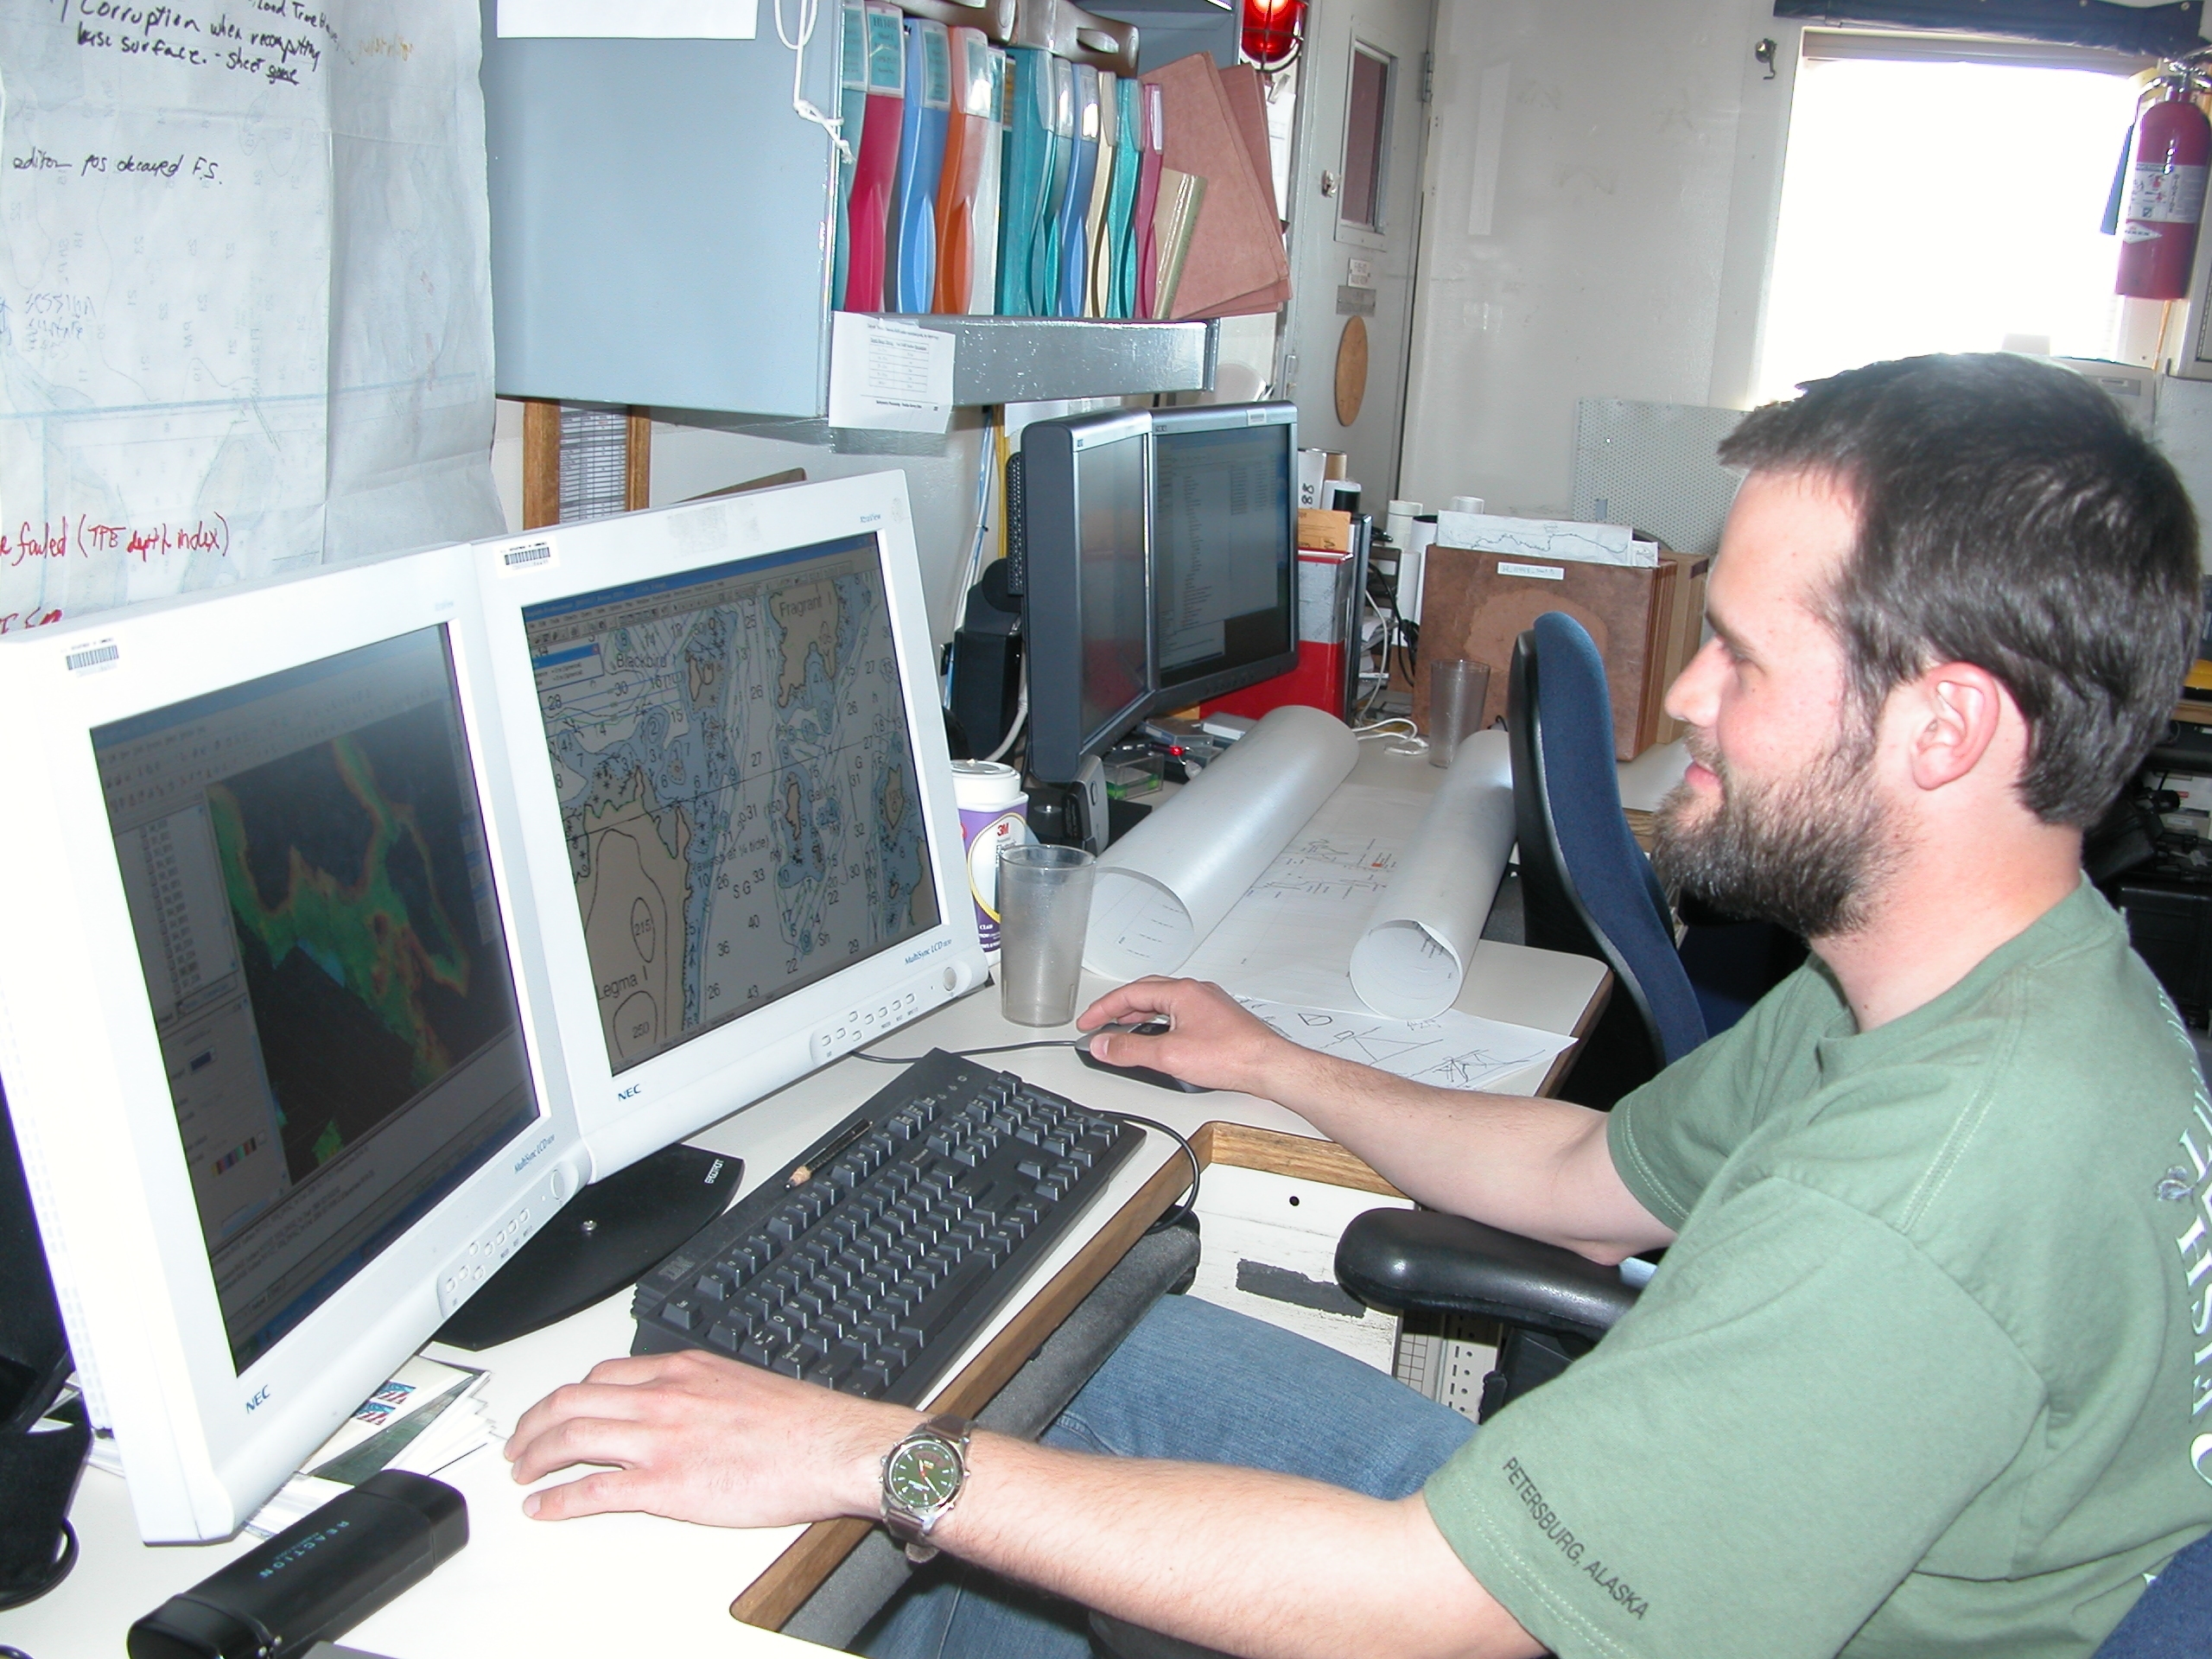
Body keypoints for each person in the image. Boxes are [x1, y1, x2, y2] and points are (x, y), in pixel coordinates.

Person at [501, 353, 2212, 1658]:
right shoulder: (1974, 991)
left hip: (1507, 1616)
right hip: (1705, 1565)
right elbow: (1583, 1179)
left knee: (933, 1481)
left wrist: (877, 1461)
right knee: (1080, 1373)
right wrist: (1279, 1063)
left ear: (1944, 731)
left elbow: (1434, 1611)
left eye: (1744, 658)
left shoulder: (1922, 1195)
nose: (1681, 690)